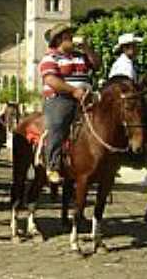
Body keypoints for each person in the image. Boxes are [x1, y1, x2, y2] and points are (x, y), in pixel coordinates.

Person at [39, 23, 102, 183]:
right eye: (69, 36)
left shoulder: (80, 55)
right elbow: (51, 79)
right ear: (59, 39)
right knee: (58, 123)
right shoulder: (50, 57)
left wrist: (87, 48)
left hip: (86, 97)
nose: (72, 39)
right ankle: (52, 164)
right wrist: (73, 91)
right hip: (61, 98)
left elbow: (96, 65)